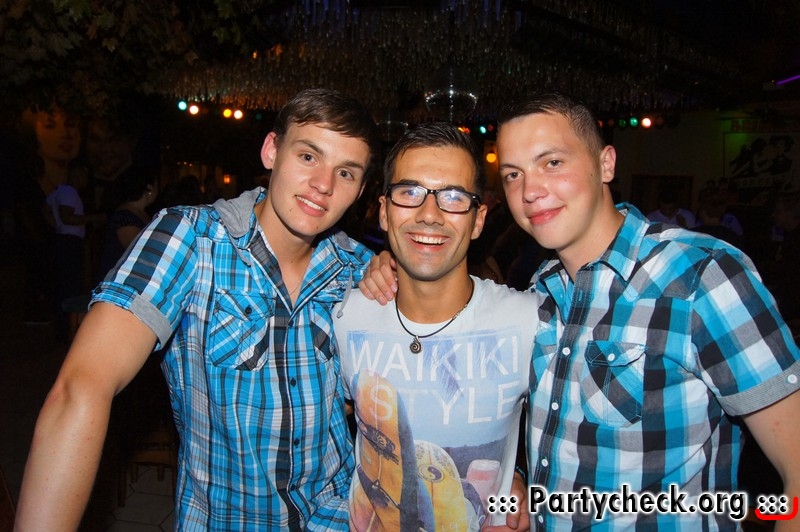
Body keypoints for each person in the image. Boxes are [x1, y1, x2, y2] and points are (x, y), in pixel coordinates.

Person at [361, 92, 800, 529]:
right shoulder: (541, 296)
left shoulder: (699, 276)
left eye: (552, 163)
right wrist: (517, 478)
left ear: (606, 164)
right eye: (513, 175)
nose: (531, 191)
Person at [15, 88, 383, 531]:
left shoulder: (359, 270)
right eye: (308, 156)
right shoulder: (191, 239)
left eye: (345, 172)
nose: (323, 184)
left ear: (361, 189)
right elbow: (82, 386)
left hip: (340, 518)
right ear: (272, 150)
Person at [334, 123, 534, 531]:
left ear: (478, 220)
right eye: (410, 192)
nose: (429, 214)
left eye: (454, 197)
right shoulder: (342, 315)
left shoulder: (528, 321)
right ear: (384, 212)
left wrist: (520, 480)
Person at [95, 165, 159, 283]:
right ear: (149, 188)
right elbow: (139, 253)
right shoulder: (125, 218)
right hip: (118, 281)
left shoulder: (141, 214)